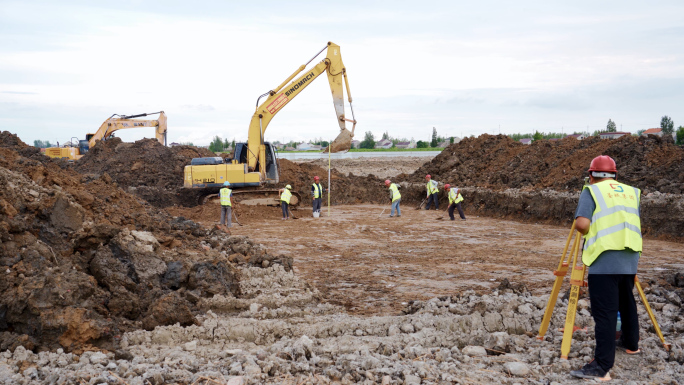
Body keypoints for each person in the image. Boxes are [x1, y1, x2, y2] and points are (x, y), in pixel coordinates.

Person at [569, 155, 642, 381]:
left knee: (605, 313)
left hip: (604, 258)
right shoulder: (632, 192)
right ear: (615, 174)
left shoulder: (591, 191)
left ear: (591, 175)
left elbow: (582, 223)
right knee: (626, 302)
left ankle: (601, 367)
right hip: (630, 256)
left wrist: (590, 232)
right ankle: (631, 344)